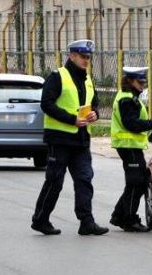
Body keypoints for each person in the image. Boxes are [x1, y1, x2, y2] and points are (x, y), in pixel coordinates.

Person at [31, 39, 109, 236]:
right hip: (59, 140)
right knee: (55, 180)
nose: (86, 61)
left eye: (88, 58)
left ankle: (86, 221)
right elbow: (46, 104)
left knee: (84, 179)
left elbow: (94, 104)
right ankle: (40, 219)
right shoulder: (58, 77)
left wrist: (95, 114)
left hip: (81, 139)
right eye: (83, 57)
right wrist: (71, 119)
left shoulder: (87, 79)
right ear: (72, 55)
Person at [109, 67, 152, 232]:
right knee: (137, 183)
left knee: (137, 182)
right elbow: (132, 124)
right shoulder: (127, 100)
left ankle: (119, 215)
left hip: (131, 145)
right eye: (140, 82)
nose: (143, 85)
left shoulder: (130, 97)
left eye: (144, 82)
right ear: (130, 81)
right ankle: (129, 219)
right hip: (127, 145)